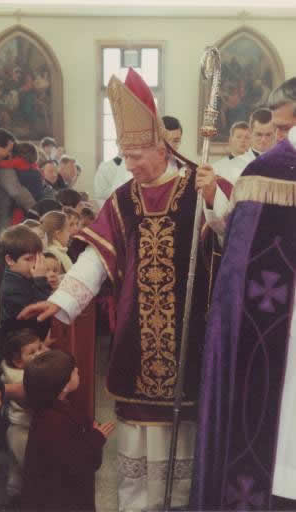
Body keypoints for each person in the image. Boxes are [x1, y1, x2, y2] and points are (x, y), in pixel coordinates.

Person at [18, 68, 207, 510]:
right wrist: (60, 301)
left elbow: (232, 239)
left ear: (162, 149)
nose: (131, 164)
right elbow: (96, 259)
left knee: (182, 440)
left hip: (186, 336)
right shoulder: (123, 200)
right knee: (138, 436)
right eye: (125, 155)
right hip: (138, 337)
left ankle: (178, 501)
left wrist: (216, 201)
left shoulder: (197, 188)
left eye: (138, 155)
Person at [190, 77, 296, 511]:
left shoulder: (268, 172)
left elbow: (242, 252)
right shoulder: (265, 172)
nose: (278, 137)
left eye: (285, 128)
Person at [21, 349, 115, 512]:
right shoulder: (54, 423)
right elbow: (77, 462)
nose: (77, 370)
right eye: (73, 371)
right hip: (62, 499)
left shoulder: (51, 407)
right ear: (63, 386)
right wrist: (96, 438)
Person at [198, 108, 276, 246]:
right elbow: (222, 220)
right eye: (258, 134)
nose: (263, 140)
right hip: (244, 243)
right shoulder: (231, 169)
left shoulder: (286, 165)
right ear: (251, 133)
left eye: (268, 135)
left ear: (275, 133)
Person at [0, 329, 47, 499]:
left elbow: (34, 355)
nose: (41, 353)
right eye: (33, 352)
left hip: (20, 427)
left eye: (40, 347)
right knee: (26, 465)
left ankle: (15, 492)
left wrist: (42, 346)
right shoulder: (22, 380)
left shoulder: (14, 367)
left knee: (16, 466)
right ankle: (21, 497)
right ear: (19, 362)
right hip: (22, 430)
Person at [0, 224, 52, 340]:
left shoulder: (24, 276)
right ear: (10, 260)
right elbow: (40, 313)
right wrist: (41, 281)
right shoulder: (12, 288)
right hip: (23, 347)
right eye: (28, 259)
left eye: (38, 258)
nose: (35, 264)